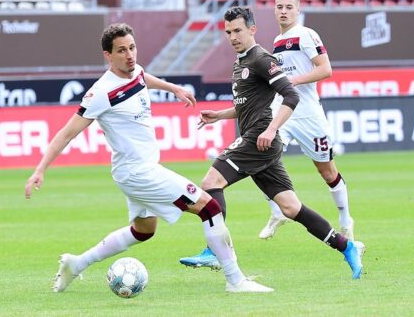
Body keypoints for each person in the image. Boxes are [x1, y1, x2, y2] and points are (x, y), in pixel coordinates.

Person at [24, 23, 273, 294]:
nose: (130, 55)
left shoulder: (135, 70)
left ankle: (76, 263)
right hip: (137, 172)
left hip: (137, 170)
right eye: (121, 51)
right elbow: (66, 133)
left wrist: (174, 88)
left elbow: (143, 77)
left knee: (143, 230)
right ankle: (235, 280)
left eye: (132, 47)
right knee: (209, 208)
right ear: (108, 56)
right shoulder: (100, 93)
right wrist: (40, 169)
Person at [178, 7, 364, 279]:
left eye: (238, 30)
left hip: (258, 139)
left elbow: (291, 96)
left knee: (210, 183)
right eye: (228, 32)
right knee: (290, 208)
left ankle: (214, 250)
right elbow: (248, 105)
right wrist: (220, 115)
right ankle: (346, 247)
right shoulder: (241, 61)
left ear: (252, 29)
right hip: (262, 142)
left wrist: (271, 129)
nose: (233, 37)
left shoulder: (262, 59)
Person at [258, 0, 355, 240]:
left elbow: (325, 69)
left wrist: (293, 80)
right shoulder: (277, 40)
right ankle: (277, 211)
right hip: (283, 110)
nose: (283, 11)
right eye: (279, 6)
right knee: (258, 154)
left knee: (327, 171)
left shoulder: (306, 34)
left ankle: (346, 220)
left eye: (289, 7)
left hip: (308, 113)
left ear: (298, 10)